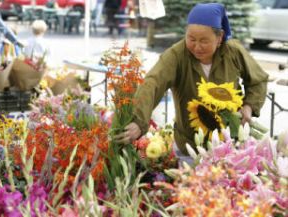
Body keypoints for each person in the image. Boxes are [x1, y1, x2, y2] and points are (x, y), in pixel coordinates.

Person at [115, 3, 269, 157]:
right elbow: (153, 82)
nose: (197, 47)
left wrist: (249, 106)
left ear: (220, 37)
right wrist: (139, 122)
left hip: (231, 144)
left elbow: (258, 80)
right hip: (190, 146)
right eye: (191, 39)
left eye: (204, 41)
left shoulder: (233, 52)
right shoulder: (177, 55)